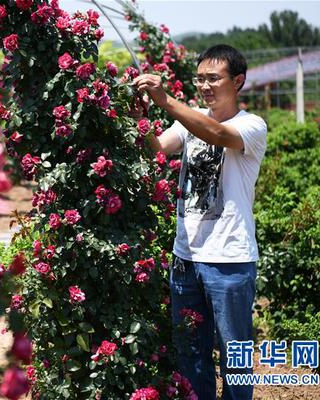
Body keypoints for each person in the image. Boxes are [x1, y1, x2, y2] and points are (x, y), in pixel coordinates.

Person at [132, 44, 267, 400]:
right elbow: (156, 149)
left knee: (234, 357)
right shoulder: (186, 123)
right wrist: (138, 119)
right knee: (191, 356)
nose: (205, 86)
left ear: (237, 81)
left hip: (230, 261)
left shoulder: (251, 126)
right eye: (200, 79)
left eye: (214, 79)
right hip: (186, 258)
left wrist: (166, 101)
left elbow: (217, 134)